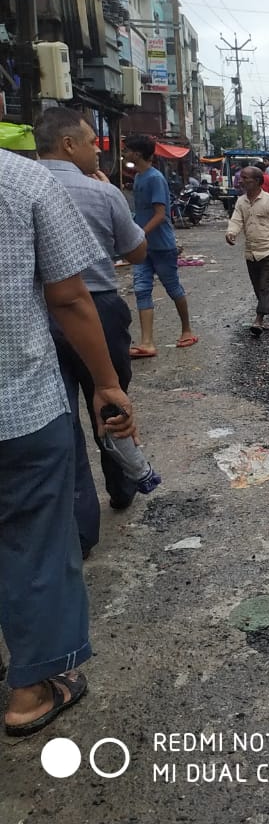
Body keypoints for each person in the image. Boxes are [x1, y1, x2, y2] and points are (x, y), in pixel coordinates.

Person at [0, 146, 136, 737]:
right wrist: (107, 383)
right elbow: (69, 296)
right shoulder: (21, 179)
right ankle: (30, 690)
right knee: (35, 540)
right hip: (18, 405)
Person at [35, 108, 149, 552]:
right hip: (96, 307)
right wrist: (113, 199)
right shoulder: (100, 191)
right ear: (67, 144)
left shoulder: (19, 185)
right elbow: (137, 251)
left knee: (59, 418)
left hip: (37, 313)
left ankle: (79, 528)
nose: (96, 149)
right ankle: (121, 489)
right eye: (88, 142)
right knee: (110, 402)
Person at [124, 134, 197, 356]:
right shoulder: (139, 177)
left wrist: (139, 232)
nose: (125, 154)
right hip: (143, 246)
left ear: (137, 153)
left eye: (127, 150)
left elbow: (160, 214)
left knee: (172, 287)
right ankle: (147, 342)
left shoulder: (155, 178)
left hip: (161, 245)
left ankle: (187, 330)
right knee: (141, 289)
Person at [226, 166, 269, 336]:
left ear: (257, 181)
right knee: (261, 289)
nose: (241, 180)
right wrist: (231, 233)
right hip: (252, 253)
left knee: (267, 287)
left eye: (245, 178)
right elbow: (236, 220)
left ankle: (258, 320)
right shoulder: (241, 201)